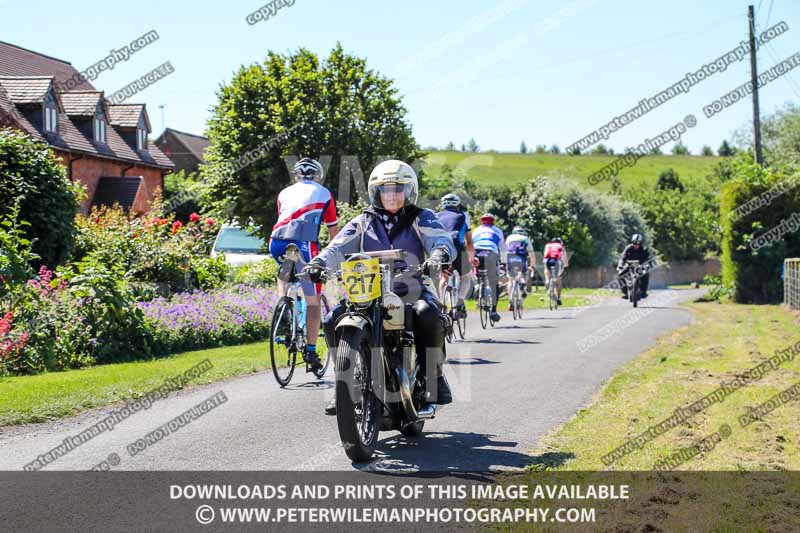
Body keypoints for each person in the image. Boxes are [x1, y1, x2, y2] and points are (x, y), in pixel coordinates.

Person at [303, 160, 456, 415]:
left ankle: (434, 379)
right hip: (368, 292)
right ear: (377, 192)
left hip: (411, 289)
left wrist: (438, 256)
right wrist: (319, 262)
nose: (392, 195)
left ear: (409, 191)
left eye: (398, 189)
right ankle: (344, 385)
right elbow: (338, 247)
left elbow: (441, 240)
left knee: (427, 314)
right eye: (386, 189)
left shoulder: (422, 217)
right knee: (331, 320)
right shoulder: (363, 220)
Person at [269, 157, 339, 371]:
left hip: (276, 241)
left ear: (296, 175)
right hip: (305, 244)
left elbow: (283, 215)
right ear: (317, 176)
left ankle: (283, 304)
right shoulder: (324, 192)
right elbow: (333, 232)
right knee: (313, 302)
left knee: (284, 274)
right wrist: (333, 259)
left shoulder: (284, 193)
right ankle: (310, 350)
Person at [436, 193, 474, 317]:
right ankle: (459, 303)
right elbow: (469, 240)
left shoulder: (436, 216)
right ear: (457, 204)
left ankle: (441, 304)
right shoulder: (464, 215)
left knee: (443, 277)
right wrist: (471, 257)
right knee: (466, 277)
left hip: (442, 248)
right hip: (457, 247)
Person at [471, 213, 506, 322]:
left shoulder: (476, 230)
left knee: (479, 275)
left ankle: (478, 288)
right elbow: (503, 248)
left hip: (477, 252)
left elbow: (470, 244)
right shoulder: (497, 230)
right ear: (493, 221)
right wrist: (503, 263)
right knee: (493, 282)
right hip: (491, 253)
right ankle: (494, 310)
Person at [505, 226, 535, 310]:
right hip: (521, 259)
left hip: (510, 258)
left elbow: (505, 250)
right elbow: (531, 254)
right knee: (523, 274)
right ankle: (522, 284)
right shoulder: (525, 238)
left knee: (510, 280)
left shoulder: (509, 237)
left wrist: (503, 262)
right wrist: (532, 265)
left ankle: (510, 301)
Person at [617, 233, 651, 299]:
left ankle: (643, 292)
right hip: (629, 266)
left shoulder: (644, 249)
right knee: (620, 275)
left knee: (646, 274)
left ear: (641, 243)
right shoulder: (628, 248)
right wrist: (620, 265)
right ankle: (625, 292)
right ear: (632, 242)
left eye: (638, 243)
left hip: (640, 266)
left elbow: (648, 259)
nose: (636, 245)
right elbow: (622, 257)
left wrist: (647, 265)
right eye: (635, 243)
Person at [543, 237, 569, 305]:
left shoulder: (547, 245)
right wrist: (566, 267)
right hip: (557, 261)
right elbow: (564, 258)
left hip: (547, 261)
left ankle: (547, 280)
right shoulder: (561, 246)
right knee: (559, 279)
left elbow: (545, 256)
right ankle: (559, 297)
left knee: (546, 271)